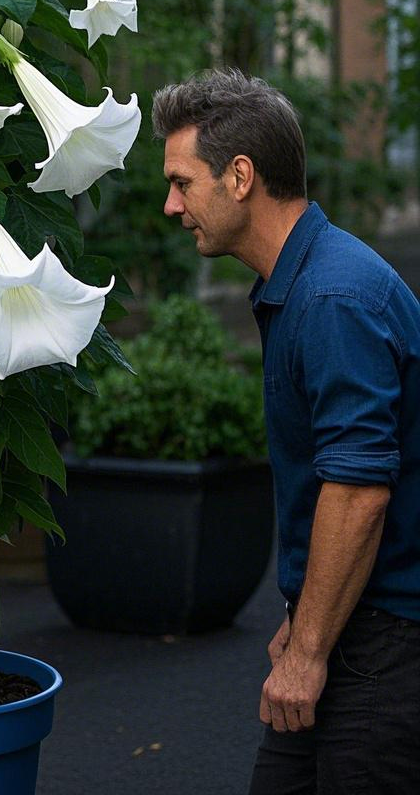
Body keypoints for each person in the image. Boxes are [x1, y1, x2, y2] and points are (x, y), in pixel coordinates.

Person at [151, 68, 420, 794]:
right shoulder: (302, 282)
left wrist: (309, 652)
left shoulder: (333, 297)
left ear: (240, 176)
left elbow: (359, 489)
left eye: (182, 182)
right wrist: (306, 621)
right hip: (350, 623)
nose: (172, 205)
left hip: (390, 642)